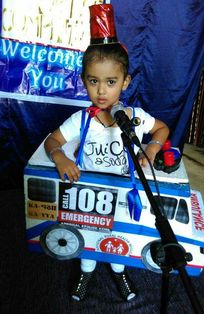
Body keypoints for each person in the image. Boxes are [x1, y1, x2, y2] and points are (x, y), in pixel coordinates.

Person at [44, 4, 169, 302]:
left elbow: (162, 130)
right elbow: (53, 140)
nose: (101, 91)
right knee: (87, 237)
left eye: (111, 82)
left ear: (125, 82)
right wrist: (60, 156)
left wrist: (151, 148)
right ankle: (85, 274)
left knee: (120, 240)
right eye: (93, 81)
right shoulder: (82, 119)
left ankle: (119, 272)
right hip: (89, 194)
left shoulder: (135, 116)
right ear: (84, 80)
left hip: (124, 192)